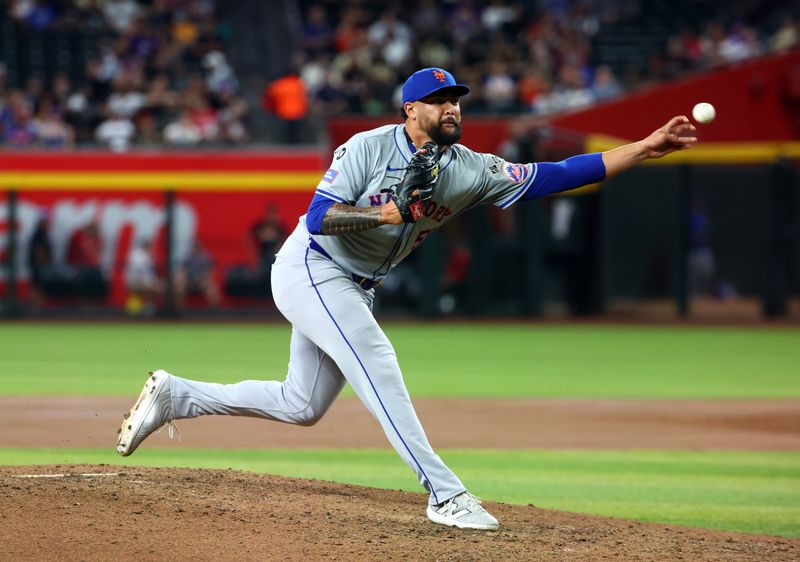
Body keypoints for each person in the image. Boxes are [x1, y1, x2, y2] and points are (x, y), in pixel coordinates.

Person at [116, 67, 697, 530]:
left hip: (354, 285)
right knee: (379, 363)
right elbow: (318, 219)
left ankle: (178, 396)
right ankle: (445, 494)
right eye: (440, 100)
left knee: (302, 405)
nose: (453, 108)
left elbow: (558, 173)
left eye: (457, 99)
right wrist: (388, 212)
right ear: (411, 110)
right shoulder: (366, 147)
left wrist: (643, 147)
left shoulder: (471, 169)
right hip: (312, 268)